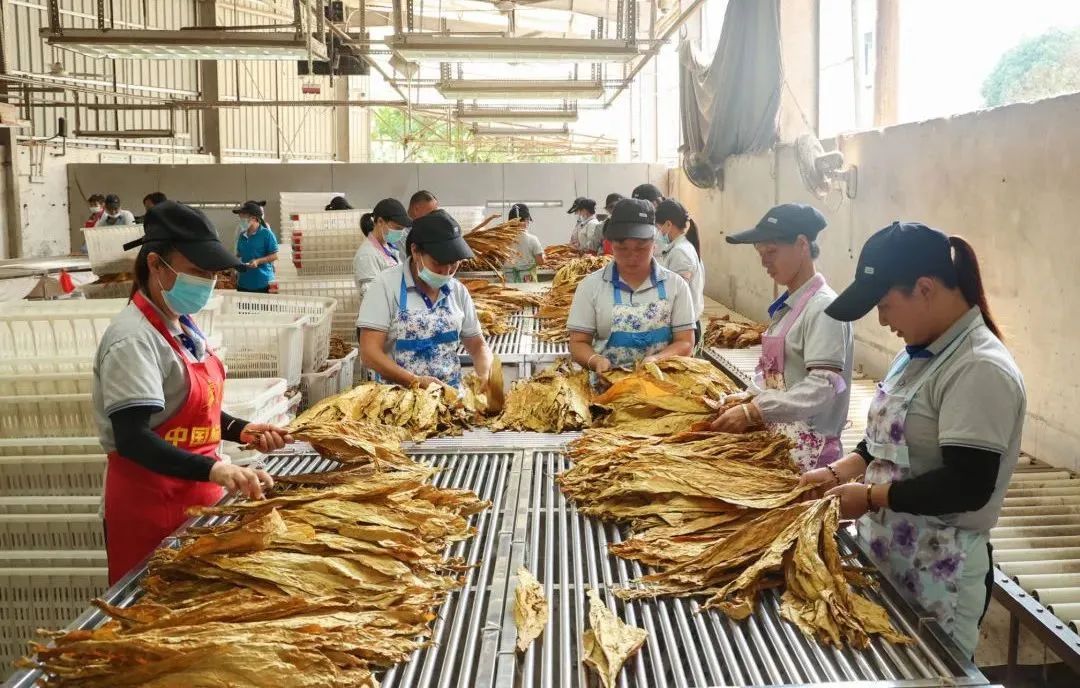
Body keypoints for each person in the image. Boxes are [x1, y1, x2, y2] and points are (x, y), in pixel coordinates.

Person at [799, 222, 1025, 659]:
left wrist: (869, 497)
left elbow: (967, 485)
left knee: (931, 671)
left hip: (940, 573)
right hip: (888, 554)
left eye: (885, 306)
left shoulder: (978, 368)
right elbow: (882, 443)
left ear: (924, 288)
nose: (883, 322)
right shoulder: (916, 354)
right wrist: (834, 473)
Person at [93, 201, 292, 584]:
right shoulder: (133, 340)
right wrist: (216, 469)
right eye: (197, 272)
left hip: (197, 502)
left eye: (212, 274)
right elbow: (133, 438)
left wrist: (243, 431)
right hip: (151, 513)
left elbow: (192, 408)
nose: (208, 282)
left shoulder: (181, 327)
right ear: (155, 265)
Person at [709, 204, 853, 473]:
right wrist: (748, 396)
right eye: (760, 253)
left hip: (810, 455)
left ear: (801, 245)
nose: (764, 262)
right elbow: (778, 374)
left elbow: (822, 388)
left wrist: (755, 410)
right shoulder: (789, 306)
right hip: (782, 444)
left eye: (771, 252)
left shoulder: (824, 309)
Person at [356, 208, 493, 390]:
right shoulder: (385, 286)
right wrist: (414, 381)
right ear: (416, 251)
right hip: (398, 402)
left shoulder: (458, 291)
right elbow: (369, 353)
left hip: (450, 400)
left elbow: (477, 346)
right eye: (438, 263)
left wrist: (484, 375)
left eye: (454, 264)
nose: (447, 272)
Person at [567, 198, 696, 373]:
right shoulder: (590, 286)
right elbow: (578, 342)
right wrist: (595, 360)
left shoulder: (676, 285)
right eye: (622, 247)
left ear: (654, 243)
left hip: (663, 385)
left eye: (641, 247)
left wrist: (657, 359)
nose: (632, 256)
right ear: (611, 245)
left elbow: (686, 341)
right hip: (608, 387)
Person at [655, 199, 705, 343]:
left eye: (659, 227)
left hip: (683, 328)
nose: (659, 232)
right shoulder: (682, 247)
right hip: (685, 324)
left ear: (669, 224)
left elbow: (678, 294)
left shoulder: (680, 252)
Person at [353, 198, 412, 299]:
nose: (401, 233)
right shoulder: (367, 255)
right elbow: (371, 296)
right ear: (380, 221)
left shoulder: (388, 246)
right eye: (397, 228)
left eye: (402, 229)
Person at [233, 200, 278, 294]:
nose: (240, 220)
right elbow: (239, 254)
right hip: (243, 284)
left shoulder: (266, 234)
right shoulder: (242, 235)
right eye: (240, 217)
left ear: (253, 218)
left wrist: (258, 261)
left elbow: (274, 256)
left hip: (262, 283)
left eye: (243, 217)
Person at [504, 203, 547, 282]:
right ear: (527, 220)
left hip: (508, 281)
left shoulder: (502, 240)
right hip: (527, 280)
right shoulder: (532, 239)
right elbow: (540, 261)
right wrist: (544, 256)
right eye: (528, 220)